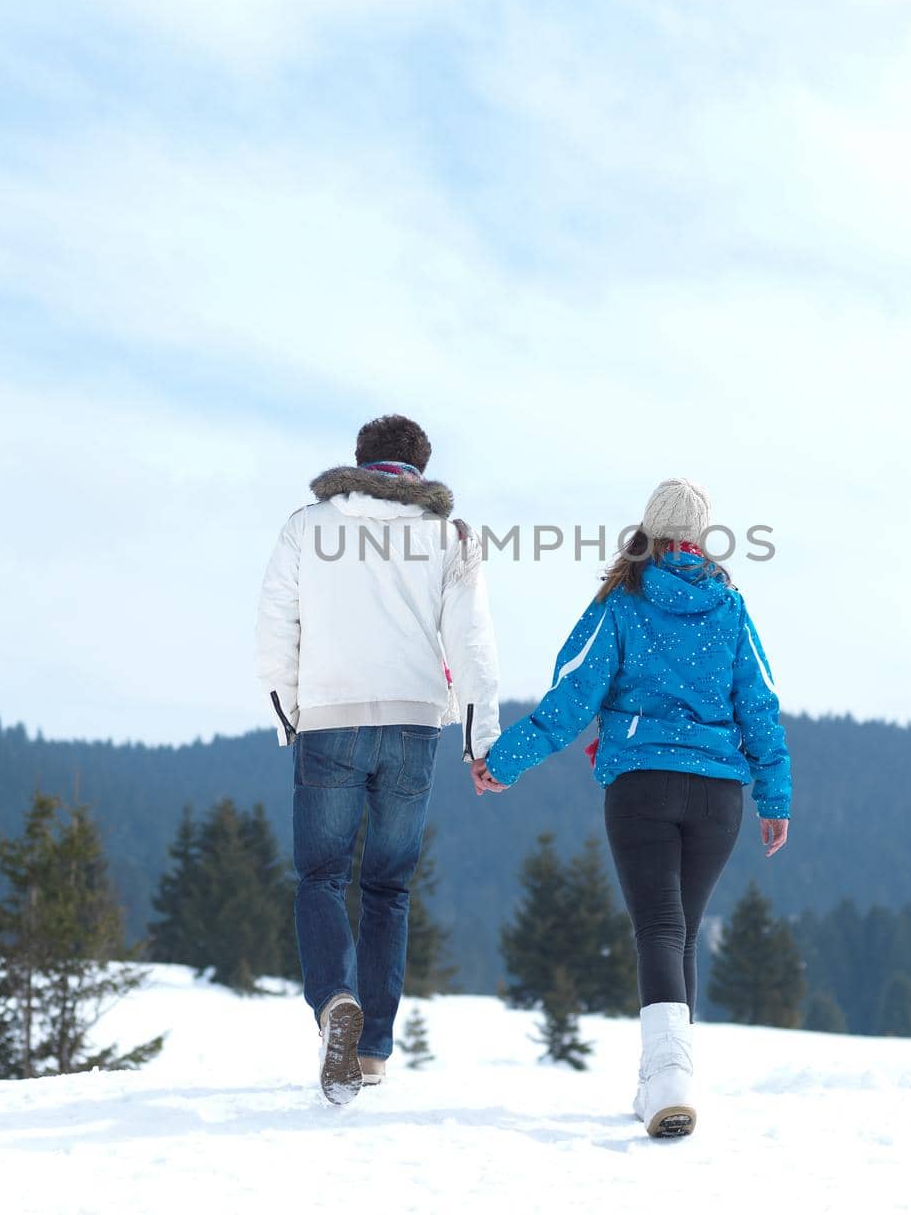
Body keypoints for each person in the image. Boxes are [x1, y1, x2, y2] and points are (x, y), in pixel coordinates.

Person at [478, 478, 790, 1139]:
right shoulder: (731, 608)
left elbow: (572, 698)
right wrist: (774, 795)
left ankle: (668, 1076)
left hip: (644, 785)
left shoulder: (623, 602)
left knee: (659, 926)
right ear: (702, 539)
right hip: (716, 795)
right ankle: (665, 1077)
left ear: (647, 529)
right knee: (683, 929)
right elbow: (759, 704)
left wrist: (501, 762)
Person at [256, 414, 499, 1105]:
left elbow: (277, 621)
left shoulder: (309, 525)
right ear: (419, 470)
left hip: (330, 724)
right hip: (415, 726)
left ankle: (335, 999)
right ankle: (370, 1054)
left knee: (322, 877)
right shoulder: (449, 535)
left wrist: (288, 715)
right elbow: (472, 639)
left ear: (361, 461)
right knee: (389, 887)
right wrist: (479, 739)